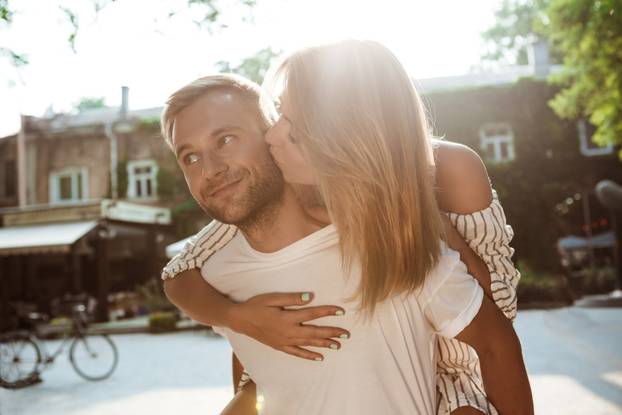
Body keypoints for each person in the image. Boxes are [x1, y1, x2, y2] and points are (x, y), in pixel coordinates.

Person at [162, 41, 530, 415]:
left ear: (339, 134)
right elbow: (178, 274)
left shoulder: (445, 173)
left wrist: (411, 217)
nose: (275, 136)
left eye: (290, 125)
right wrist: (241, 321)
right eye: (190, 157)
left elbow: (491, 307)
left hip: (465, 367)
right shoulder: (273, 206)